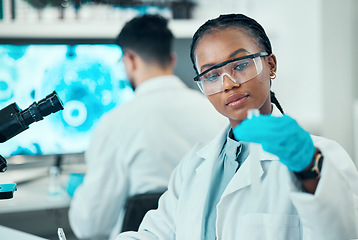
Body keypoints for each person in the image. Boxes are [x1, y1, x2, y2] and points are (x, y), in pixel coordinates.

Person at [114, 13, 358, 240]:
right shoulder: (194, 165)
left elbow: (343, 231)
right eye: (211, 75)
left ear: (271, 65)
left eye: (240, 65)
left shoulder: (322, 154)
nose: (228, 84)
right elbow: (157, 234)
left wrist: (310, 166)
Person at [68, 14, 227, 240]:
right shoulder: (216, 112)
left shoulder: (115, 124)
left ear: (130, 60)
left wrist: (78, 192)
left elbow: (91, 227)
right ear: (171, 59)